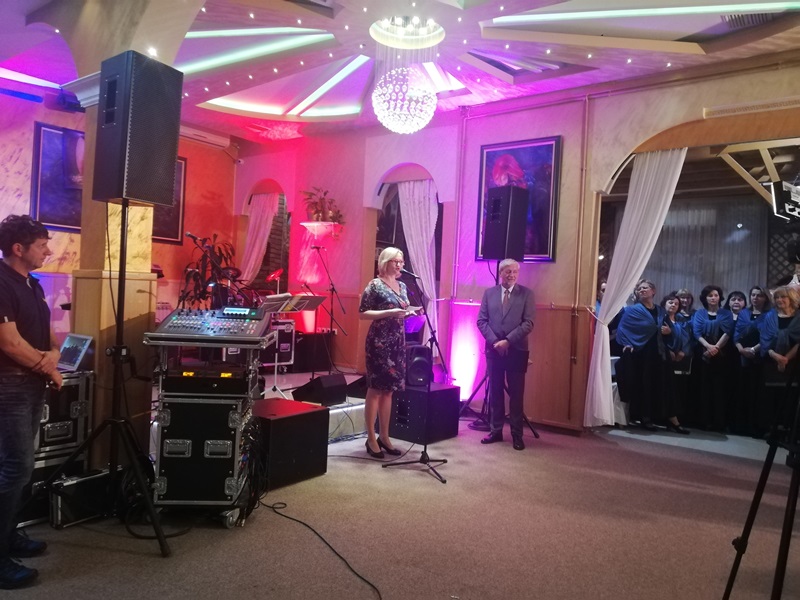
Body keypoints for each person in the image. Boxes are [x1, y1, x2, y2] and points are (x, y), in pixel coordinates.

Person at [0, 214, 63, 589]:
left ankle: (9, 536)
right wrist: (48, 366)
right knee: (15, 468)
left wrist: (53, 355)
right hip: (9, 387)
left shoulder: (33, 284)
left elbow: (48, 334)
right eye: (41, 246)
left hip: (31, 384)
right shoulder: (1, 282)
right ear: (18, 248)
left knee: (20, 467)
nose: (47, 252)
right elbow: (9, 343)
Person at [358, 247, 418, 459]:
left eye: (401, 261)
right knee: (376, 389)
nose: (400, 265)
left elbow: (401, 311)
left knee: (389, 391)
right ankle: (371, 437)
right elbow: (363, 313)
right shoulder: (375, 285)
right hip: (379, 343)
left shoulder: (402, 286)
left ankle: (384, 436)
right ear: (385, 262)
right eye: (395, 261)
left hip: (397, 343)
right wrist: (389, 312)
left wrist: (409, 313)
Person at [477, 258, 535, 450]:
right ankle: (496, 431)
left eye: (515, 272)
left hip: (517, 349)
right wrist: (496, 342)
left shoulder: (527, 294)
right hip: (493, 350)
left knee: (517, 394)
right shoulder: (489, 293)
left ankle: (517, 435)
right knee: (495, 392)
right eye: (508, 272)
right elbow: (481, 321)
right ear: (500, 273)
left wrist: (508, 341)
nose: (511, 275)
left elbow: (528, 323)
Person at [615, 279, 675, 431]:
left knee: (658, 385)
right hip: (642, 353)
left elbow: (669, 328)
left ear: (653, 291)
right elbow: (623, 329)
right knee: (644, 386)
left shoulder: (660, 311)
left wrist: (669, 331)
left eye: (645, 288)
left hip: (659, 352)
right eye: (639, 289)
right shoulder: (632, 310)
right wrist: (627, 343)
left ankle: (657, 416)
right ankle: (644, 417)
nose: (642, 290)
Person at [691, 285, 734, 431]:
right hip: (702, 354)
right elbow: (697, 333)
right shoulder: (699, 313)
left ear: (720, 297)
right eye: (710, 295)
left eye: (716, 295)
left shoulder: (726, 313)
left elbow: (727, 332)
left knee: (719, 388)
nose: (713, 298)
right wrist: (708, 347)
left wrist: (716, 347)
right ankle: (704, 421)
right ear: (705, 298)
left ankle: (718, 422)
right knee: (703, 387)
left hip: (721, 354)